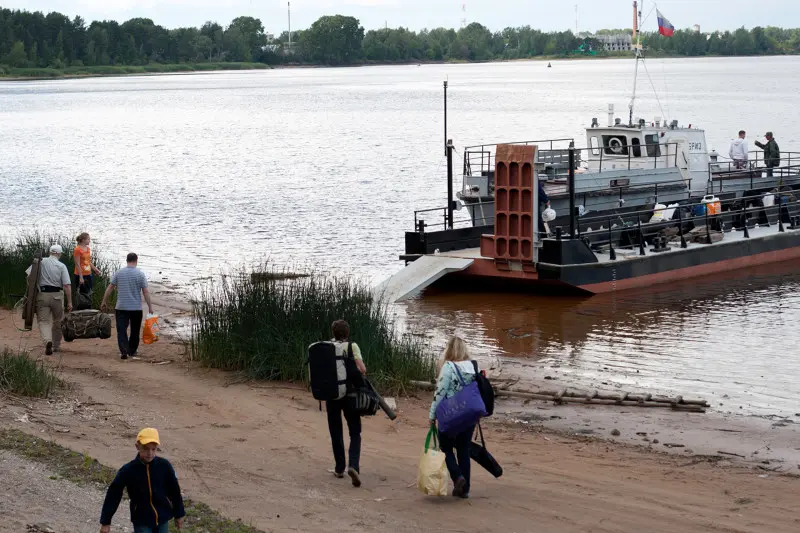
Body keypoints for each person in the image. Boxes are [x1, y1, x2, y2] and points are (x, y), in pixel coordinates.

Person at [99, 428, 185, 533]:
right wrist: (106, 522)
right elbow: (113, 494)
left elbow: (174, 491)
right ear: (137, 447)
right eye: (145, 449)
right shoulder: (128, 470)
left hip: (163, 518)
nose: (150, 453)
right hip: (141, 520)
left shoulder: (164, 466)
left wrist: (179, 514)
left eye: (153, 449)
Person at [429, 336, 477, 499]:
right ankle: (466, 490)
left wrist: (432, 415)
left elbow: (440, 393)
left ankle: (458, 477)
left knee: (446, 448)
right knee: (463, 449)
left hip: (451, 414)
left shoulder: (448, 367)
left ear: (449, 349)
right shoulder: (472, 366)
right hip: (469, 415)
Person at [326, 319, 367, 487]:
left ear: (333, 333)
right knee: (355, 432)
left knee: (336, 432)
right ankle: (354, 466)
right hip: (349, 395)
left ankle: (339, 468)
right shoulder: (352, 347)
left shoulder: (327, 346)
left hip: (332, 395)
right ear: (347, 333)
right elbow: (362, 369)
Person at [101, 253, 154, 360]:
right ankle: (132, 350)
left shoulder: (119, 273)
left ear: (127, 260)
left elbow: (110, 287)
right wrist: (150, 307)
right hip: (136, 308)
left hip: (121, 307)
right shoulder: (140, 274)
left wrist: (104, 301)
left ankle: (124, 350)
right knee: (135, 331)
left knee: (121, 330)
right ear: (136, 260)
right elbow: (145, 292)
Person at [25, 244, 73, 355]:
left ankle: (47, 341)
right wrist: (69, 302)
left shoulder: (39, 262)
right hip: (57, 296)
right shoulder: (61, 266)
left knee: (43, 321)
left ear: (50, 252)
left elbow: (28, 277)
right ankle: (56, 346)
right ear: (59, 254)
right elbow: (66, 285)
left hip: (42, 295)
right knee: (58, 321)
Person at [73, 232, 102, 298]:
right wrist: (81, 277)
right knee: (82, 294)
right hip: (80, 274)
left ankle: (88, 307)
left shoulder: (88, 249)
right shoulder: (77, 249)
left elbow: (88, 262)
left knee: (89, 292)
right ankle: (81, 307)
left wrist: (95, 269)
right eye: (88, 239)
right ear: (83, 240)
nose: (89, 241)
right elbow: (77, 264)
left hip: (88, 274)